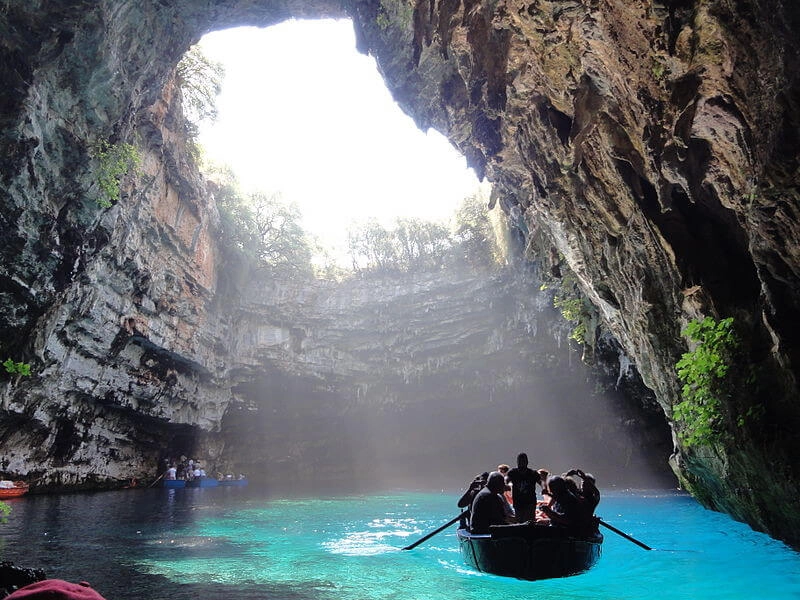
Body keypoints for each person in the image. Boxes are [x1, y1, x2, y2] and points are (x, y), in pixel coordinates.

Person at [505, 453, 540, 523]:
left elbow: (541, 482)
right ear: (517, 462)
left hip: (530, 503)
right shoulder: (513, 472)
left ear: (527, 462)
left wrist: (544, 488)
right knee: (520, 522)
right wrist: (506, 484)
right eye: (520, 461)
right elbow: (506, 478)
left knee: (530, 522)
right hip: (518, 503)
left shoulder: (532, 473)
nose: (521, 463)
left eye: (523, 461)